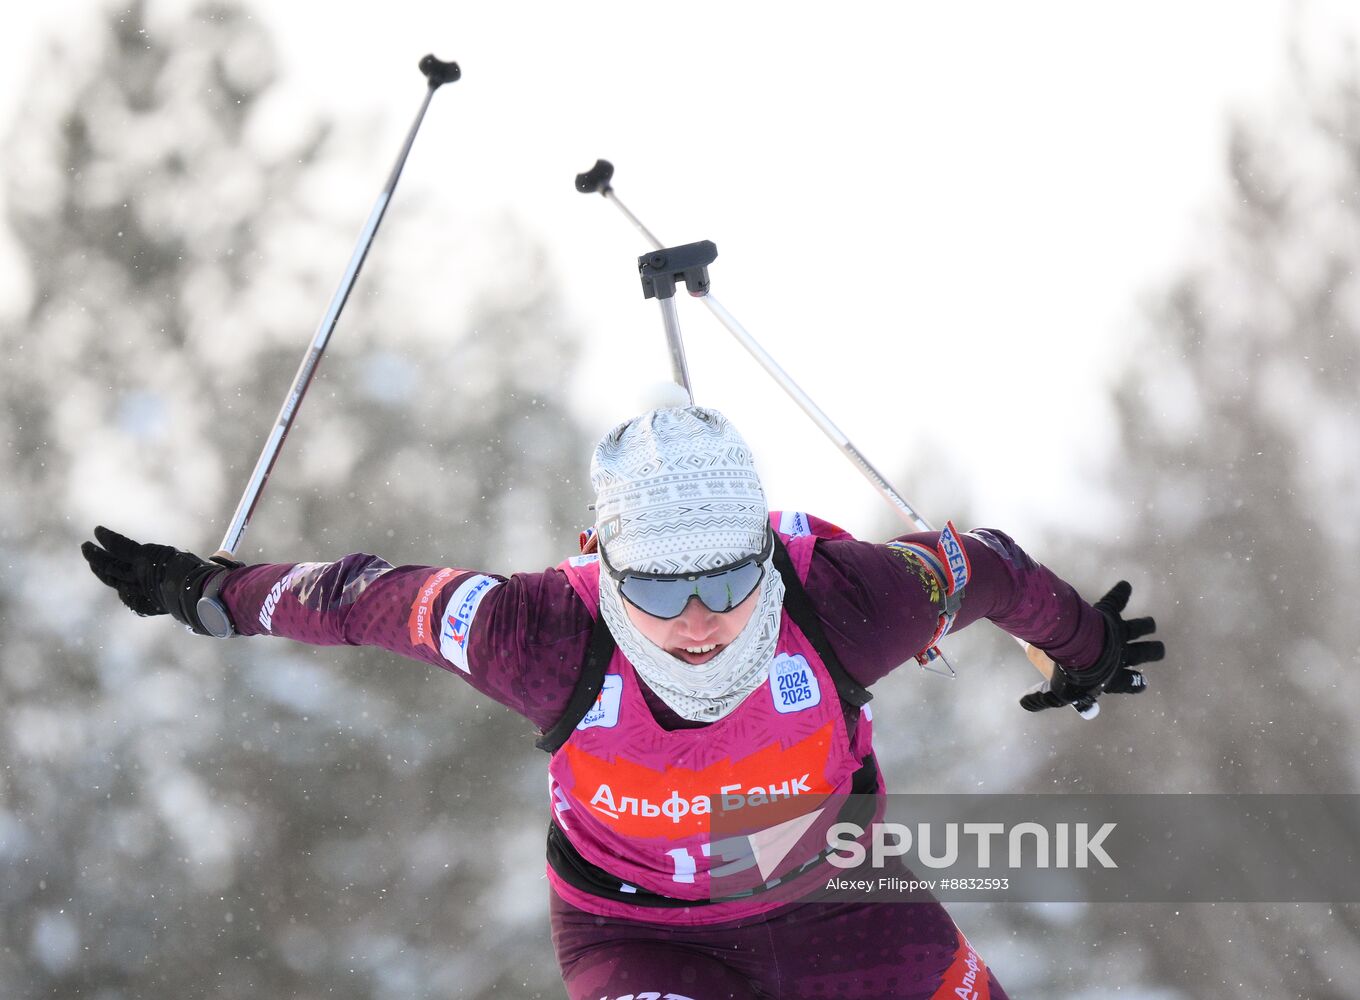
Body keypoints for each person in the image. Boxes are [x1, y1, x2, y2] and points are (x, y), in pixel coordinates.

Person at [82, 405, 1163, 999]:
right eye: (659, 587)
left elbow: (986, 566)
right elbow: (370, 600)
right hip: (640, 936)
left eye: (728, 583)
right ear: (604, 564)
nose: (698, 618)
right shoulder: (539, 633)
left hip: (849, 905)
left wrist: (1084, 643)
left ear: (764, 559)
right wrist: (218, 594)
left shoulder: (851, 603)